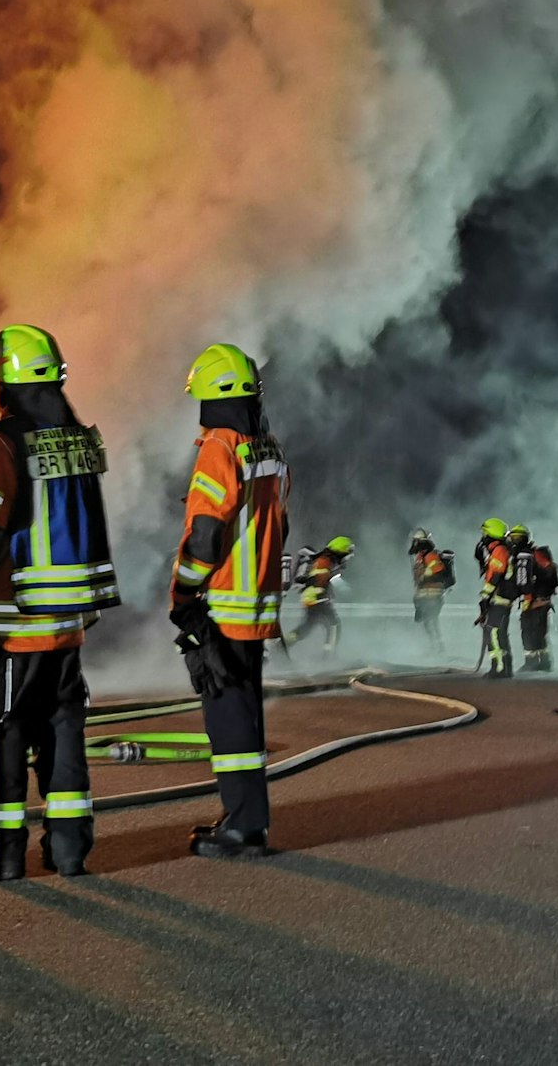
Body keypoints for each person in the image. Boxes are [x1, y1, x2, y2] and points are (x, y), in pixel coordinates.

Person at [0, 324, 117, 883]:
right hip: (69, 627)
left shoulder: (0, 443)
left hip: (14, 625)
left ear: (8, 384)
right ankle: (69, 849)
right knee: (63, 732)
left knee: (0, 730)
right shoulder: (80, 439)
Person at [169, 341, 289, 859]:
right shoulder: (268, 446)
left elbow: (205, 534)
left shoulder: (220, 445)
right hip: (258, 602)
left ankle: (243, 829)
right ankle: (246, 817)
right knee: (246, 715)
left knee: (229, 719)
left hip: (224, 604)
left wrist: (187, 591)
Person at [283, 537, 354, 656]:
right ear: (340, 551)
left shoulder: (320, 560)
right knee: (334, 626)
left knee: (306, 629)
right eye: (346, 555)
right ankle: (328, 656)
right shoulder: (325, 561)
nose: (346, 559)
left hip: (310, 600)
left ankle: (283, 645)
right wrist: (346, 589)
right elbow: (326, 579)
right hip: (318, 599)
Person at [509, 525, 558, 672]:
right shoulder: (529, 555)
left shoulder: (528, 556)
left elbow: (526, 581)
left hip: (536, 601)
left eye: (516, 538)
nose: (514, 541)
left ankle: (534, 662)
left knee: (531, 632)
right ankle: (543, 662)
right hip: (536, 601)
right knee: (535, 633)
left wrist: (532, 596)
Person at [475, 519, 517, 678]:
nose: (483, 536)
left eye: (485, 533)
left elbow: (495, 575)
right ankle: (506, 667)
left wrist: (485, 597)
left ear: (492, 534)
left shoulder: (499, 550)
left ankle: (498, 668)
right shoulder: (502, 549)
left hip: (499, 598)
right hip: (502, 598)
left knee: (492, 632)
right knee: (500, 634)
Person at [409, 529, 455, 651]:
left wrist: (424, 576)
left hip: (432, 595)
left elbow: (435, 570)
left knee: (431, 621)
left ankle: (438, 647)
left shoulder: (431, 555)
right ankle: (433, 647)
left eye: (416, 541)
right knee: (427, 622)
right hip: (424, 595)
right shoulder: (420, 556)